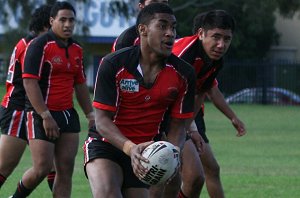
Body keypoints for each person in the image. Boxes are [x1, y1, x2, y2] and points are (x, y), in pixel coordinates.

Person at [83, 3, 196, 198]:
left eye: (173, 27)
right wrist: (130, 148)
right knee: (108, 194)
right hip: (106, 144)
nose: (170, 33)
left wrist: (173, 153)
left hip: (146, 153)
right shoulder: (113, 64)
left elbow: (178, 125)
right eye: (162, 26)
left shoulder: (184, 74)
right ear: (142, 30)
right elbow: (101, 121)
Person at [10, 1, 94, 197]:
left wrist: (90, 114)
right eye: (62, 20)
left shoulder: (77, 49)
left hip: (67, 115)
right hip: (41, 114)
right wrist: (45, 115)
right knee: (42, 167)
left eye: (71, 20)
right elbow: (29, 83)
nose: (67, 25)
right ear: (52, 21)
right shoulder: (39, 45)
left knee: (65, 170)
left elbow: (80, 84)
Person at [169, 10, 247, 198]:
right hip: (166, 115)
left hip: (187, 115)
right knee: (180, 176)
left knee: (205, 172)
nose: (221, 45)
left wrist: (190, 128)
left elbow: (204, 91)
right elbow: (168, 96)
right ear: (201, 33)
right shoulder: (184, 55)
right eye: (216, 37)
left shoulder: (215, 60)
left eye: (227, 39)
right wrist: (184, 131)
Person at [0, 5, 56, 190]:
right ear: (48, 23)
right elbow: (30, 82)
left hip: (34, 108)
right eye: (58, 21)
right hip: (18, 109)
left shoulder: (38, 43)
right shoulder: (33, 45)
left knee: (53, 165)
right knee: (4, 167)